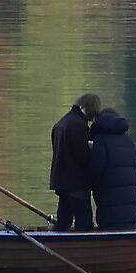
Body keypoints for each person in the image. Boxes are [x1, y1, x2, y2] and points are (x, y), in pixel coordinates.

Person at [48, 93, 100, 231]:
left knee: (63, 221)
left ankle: (55, 244)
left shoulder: (61, 123)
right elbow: (82, 156)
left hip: (61, 182)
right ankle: (84, 250)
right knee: (84, 223)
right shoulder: (78, 125)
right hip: (76, 184)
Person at [87, 105, 136, 229]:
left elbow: (98, 168)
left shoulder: (101, 139)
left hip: (109, 204)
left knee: (111, 229)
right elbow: (135, 166)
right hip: (130, 206)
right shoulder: (128, 140)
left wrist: (90, 185)